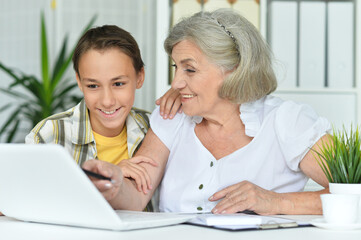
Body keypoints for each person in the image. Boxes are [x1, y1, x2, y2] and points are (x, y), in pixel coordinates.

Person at [82, 9, 331, 215]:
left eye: (189, 70)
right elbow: (137, 195)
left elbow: (355, 191)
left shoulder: (287, 121)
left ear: (234, 69)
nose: (176, 82)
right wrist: (112, 182)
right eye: (176, 67)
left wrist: (277, 202)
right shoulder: (172, 115)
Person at [24, 25, 181, 212]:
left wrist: (181, 93)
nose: (107, 101)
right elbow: (29, 202)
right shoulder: (50, 134)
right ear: (79, 82)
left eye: (118, 83)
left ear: (140, 77)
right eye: (93, 86)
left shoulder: (157, 129)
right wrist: (114, 176)